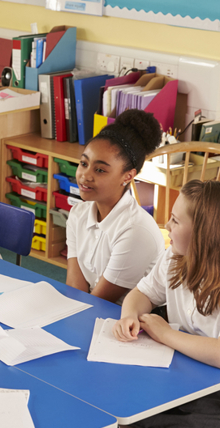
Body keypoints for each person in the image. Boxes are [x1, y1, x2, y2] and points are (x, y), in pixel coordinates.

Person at [86, 180, 220, 428]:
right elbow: (141, 294)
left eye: (176, 220)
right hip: (181, 380)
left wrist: (165, 333)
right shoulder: (175, 258)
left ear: (206, 236)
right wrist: (130, 314)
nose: (166, 225)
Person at [66, 109, 165, 304]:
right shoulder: (78, 213)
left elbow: (101, 301)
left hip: (130, 321)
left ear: (128, 176)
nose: (85, 175)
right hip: (91, 310)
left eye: (100, 169)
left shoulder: (136, 231)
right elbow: (74, 288)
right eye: (84, 163)